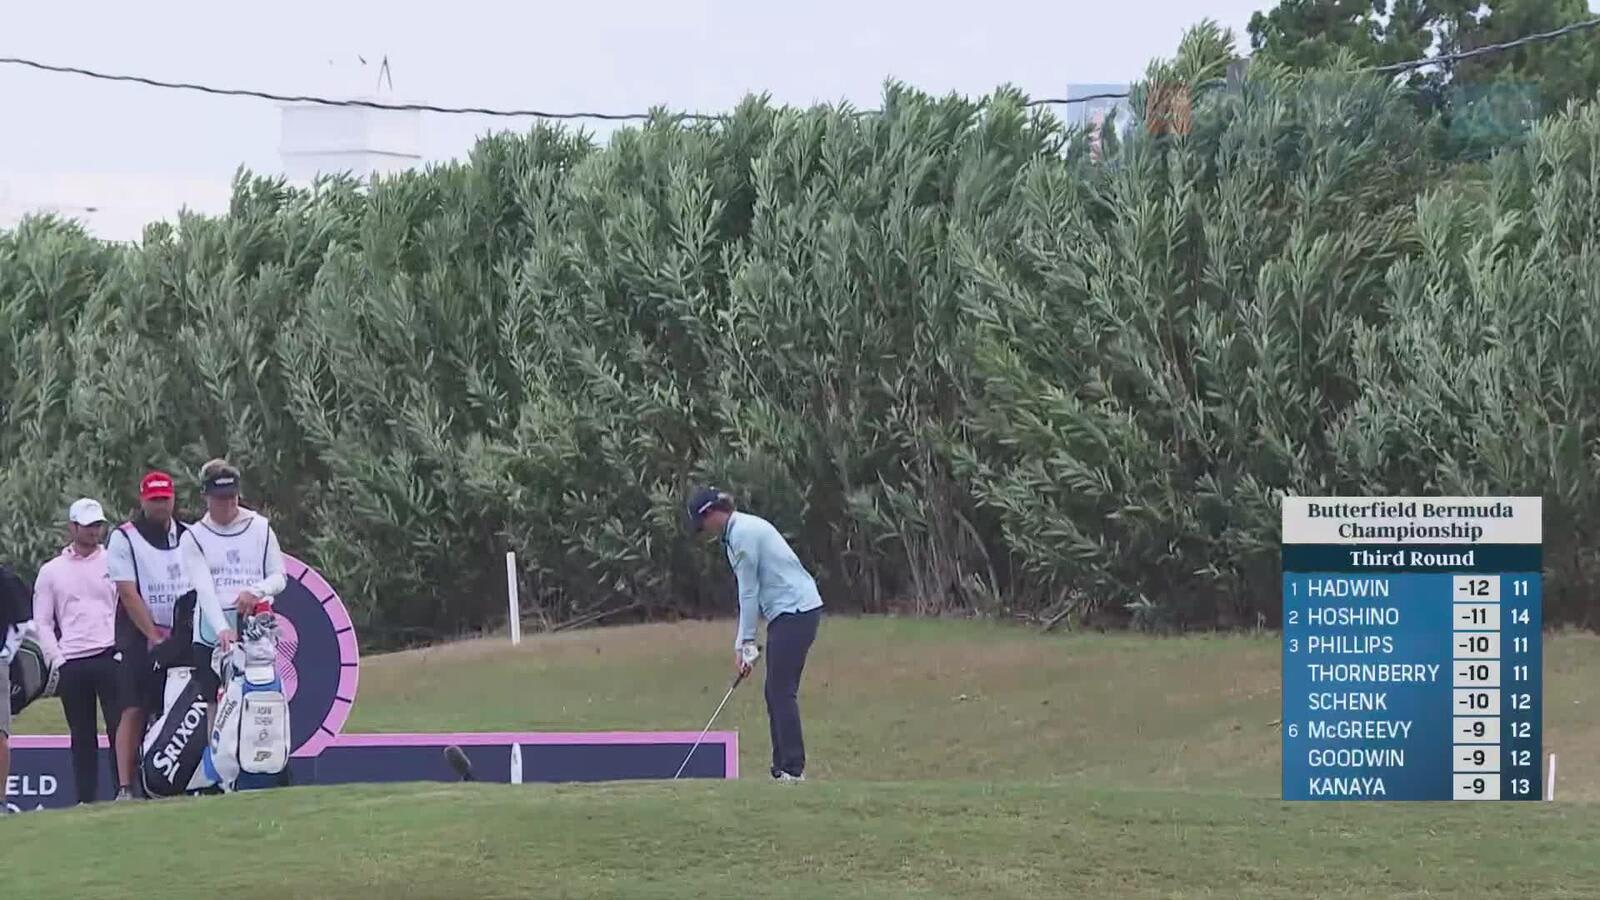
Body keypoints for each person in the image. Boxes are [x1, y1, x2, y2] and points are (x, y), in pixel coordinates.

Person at [686, 486, 824, 782]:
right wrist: (746, 643)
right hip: (787, 612)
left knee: (780, 690)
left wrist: (745, 644)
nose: (705, 531)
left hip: (797, 610)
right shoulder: (736, 534)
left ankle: (792, 769)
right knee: (775, 690)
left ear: (712, 513)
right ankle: (782, 767)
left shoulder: (743, 535)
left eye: (703, 524)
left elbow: (748, 593)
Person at [178, 459, 286, 728]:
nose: (227, 505)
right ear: (206, 497)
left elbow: (278, 576)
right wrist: (222, 629)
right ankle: (219, 762)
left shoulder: (260, 528)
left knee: (258, 697)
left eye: (231, 497)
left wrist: (256, 591)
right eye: (219, 499)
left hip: (254, 626)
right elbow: (204, 588)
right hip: (211, 631)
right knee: (216, 707)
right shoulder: (194, 537)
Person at [106, 470, 193, 800]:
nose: (160, 505)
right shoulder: (124, 537)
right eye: (154, 500)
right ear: (143, 500)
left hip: (182, 633)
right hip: (138, 635)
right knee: (133, 707)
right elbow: (128, 593)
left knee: (180, 705)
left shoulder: (189, 534)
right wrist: (154, 637)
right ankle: (126, 786)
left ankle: (177, 780)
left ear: (174, 499)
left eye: (165, 499)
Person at [33, 497, 122, 804]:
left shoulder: (114, 561)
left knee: (118, 729)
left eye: (97, 525)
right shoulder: (51, 571)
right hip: (73, 660)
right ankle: (86, 799)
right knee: (82, 734)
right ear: (72, 527)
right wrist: (57, 659)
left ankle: (124, 792)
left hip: (110, 655)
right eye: (87, 526)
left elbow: (124, 607)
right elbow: (42, 621)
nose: (93, 532)